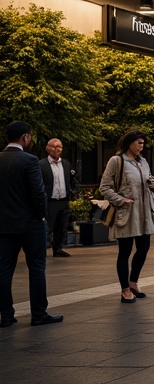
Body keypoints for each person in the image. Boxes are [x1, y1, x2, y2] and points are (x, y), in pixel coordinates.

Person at [1, 121, 62, 327]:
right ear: (25, 137)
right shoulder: (29, 160)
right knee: (36, 267)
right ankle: (38, 313)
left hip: (4, 225)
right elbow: (38, 192)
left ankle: (6, 314)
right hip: (30, 223)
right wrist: (41, 216)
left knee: (4, 269)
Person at [100, 130, 154, 303]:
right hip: (126, 212)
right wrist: (120, 200)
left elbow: (146, 182)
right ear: (129, 143)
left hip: (144, 212)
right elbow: (104, 186)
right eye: (139, 143)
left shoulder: (143, 161)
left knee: (144, 247)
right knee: (124, 251)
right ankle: (124, 289)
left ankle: (133, 282)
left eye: (143, 143)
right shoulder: (116, 161)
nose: (142, 146)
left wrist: (151, 184)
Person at [41, 137, 78, 257]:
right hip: (50, 201)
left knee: (62, 227)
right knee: (48, 227)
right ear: (47, 148)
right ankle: (41, 249)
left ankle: (58, 248)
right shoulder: (41, 165)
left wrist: (72, 191)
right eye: (54, 146)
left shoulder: (66, 164)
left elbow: (73, 179)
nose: (57, 149)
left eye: (60, 147)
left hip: (63, 200)